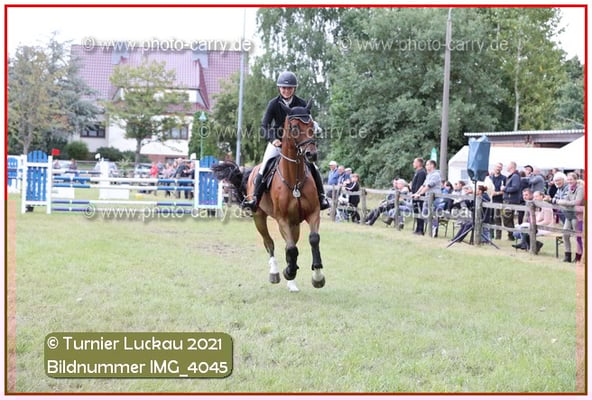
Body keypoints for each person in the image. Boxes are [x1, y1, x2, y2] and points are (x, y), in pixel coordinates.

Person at [242, 71, 330, 211]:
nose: (286, 91)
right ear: (279, 88)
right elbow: (264, 126)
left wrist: (315, 129)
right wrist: (273, 140)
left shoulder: (301, 103)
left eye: (289, 88)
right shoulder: (273, 104)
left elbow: (309, 122)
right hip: (277, 142)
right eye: (283, 88)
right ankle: (255, 199)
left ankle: (322, 197)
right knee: (264, 166)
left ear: (294, 89)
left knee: (314, 167)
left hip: (298, 144)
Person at [555, 172, 584, 263]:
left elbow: (577, 202)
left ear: (575, 179)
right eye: (568, 179)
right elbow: (567, 200)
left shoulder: (580, 188)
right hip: (569, 214)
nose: (569, 181)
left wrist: (562, 202)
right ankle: (567, 255)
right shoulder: (569, 188)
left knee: (577, 236)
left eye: (571, 179)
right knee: (565, 233)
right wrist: (566, 203)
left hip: (578, 215)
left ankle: (579, 256)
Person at [412, 159, 441, 237]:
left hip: (434, 198)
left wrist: (420, 194)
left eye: (427, 164)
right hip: (427, 197)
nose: (426, 166)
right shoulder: (428, 175)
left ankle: (434, 228)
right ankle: (432, 227)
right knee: (424, 214)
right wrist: (417, 193)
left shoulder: (436, 175)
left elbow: (429, 186)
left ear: (432, 165)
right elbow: (423, 185)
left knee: (432, 213)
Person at [501, 161, 521, 240]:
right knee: (507, 219)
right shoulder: (511, 176)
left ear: (512, 167)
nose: (506, 167)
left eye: (508, 165)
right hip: (507, 200)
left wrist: (504, 188)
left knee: (507, 218)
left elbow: (515, 187)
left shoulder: (515, 176)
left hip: (511, 200)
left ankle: (512, 235)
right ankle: (511, 235)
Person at [489, 163, 506, 240]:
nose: (498, 168)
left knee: (497, 218)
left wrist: (497, 193)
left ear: (501, 169)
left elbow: (505, 190)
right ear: (494, 167)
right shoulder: (490, 178)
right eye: (497, 167)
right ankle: (490, 235)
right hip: (490, 200)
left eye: (500, 167)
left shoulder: (504, 178)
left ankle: (498, 236)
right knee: (490, 218)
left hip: (499, 201)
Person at [410, 158, 427, 235]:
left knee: (419, 212)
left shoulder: (422, 172)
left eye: (414, 162)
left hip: (419, 196)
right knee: (416, 212)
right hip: (414, 195)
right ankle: (417, 228)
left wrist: (417, 193)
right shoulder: (417, 172)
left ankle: (420, 229)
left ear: (419, 163)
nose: (413, 163)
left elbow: (419, 184)